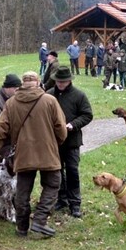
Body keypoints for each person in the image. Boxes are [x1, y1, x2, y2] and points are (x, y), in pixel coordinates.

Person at [0, 71, 67, 238]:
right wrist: (55, 142)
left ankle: (22, 227)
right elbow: (61, 128)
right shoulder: (50, 101)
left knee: (23, 190)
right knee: (52, 184)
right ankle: (40, 220)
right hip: (47, 152)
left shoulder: (11, 103)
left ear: (22, 84)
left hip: (23, 153)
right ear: (37, 83)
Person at [46, 67, 93, 218]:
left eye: (63, 81)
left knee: (72, 171)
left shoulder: (79, 95)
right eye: (58, 81)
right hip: (54, 142)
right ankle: (61, 198)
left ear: (69, 80)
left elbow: (87, 115)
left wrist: (73, 125)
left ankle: (75, 203)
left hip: (72, 141)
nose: (60, 83)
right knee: (57, 172)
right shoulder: (49, 95)